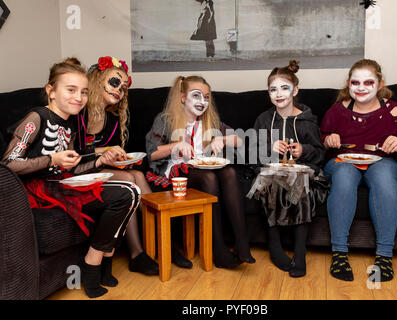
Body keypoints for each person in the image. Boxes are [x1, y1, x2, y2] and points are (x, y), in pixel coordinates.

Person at [1, 58, 141, 298]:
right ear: (51, 91)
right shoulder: (36, 118)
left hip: (61, 184)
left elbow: (72, 170)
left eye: (84, 92)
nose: (79, 97)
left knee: (129, 192)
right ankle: (94, 267)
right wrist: (51, 160)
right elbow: (7, 164)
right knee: (127, 192)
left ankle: (95, 260)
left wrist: (99, 161)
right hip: (37, 192)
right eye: (71, 90)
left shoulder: (69, 125)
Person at [320, 59, 397, 282]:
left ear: (380, 83)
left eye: (368, 82)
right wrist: (328, 139)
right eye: (355, 82)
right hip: (343, 161)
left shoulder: (394, 111)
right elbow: (319, 139)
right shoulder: (338, 110)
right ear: (348, 84)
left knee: (385, 177)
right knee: (345, 176)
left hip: (382, 161)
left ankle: (384, 257)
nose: (361, 88)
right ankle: (339, 253)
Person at [145, 75, 255, 268]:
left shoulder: (209, 121)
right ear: (182, 97)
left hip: (199, 168)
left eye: (206, 97)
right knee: (209, 177)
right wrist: (176, 145)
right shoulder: (165, 120)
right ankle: (218, 249)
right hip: (175, 173)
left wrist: (222, 139)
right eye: (196, 96)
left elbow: (240, 140)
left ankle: (242, 242)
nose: (202, 101)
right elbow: (152, 153)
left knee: (228, 172)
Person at [75, 56, 162, 276]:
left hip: (100, 170)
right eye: (115, 83)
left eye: (123, 88)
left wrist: (119, 158)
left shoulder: (112, 121)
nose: (119, 91)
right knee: (130, 181)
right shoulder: (78, 112)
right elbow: (72, 155)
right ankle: (136, 253)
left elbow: (109, 157)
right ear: (97, 79)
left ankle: (163, 241)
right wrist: (104, 152)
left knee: (138, 175)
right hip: (79, 172)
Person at [252, 60, 325, 277]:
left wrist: (304, 150)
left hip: (302, 173)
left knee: (298, 181)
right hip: (271, 172)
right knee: (270, 180)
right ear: (268, 93)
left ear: (295, 90)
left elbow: (320, 153)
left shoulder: (307, 121)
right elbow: (250, 152)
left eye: (284, 88)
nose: (278, 94)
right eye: (273, 89)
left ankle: (300, 250)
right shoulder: (264, 120)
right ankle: (274, 244)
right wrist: (269, 148)